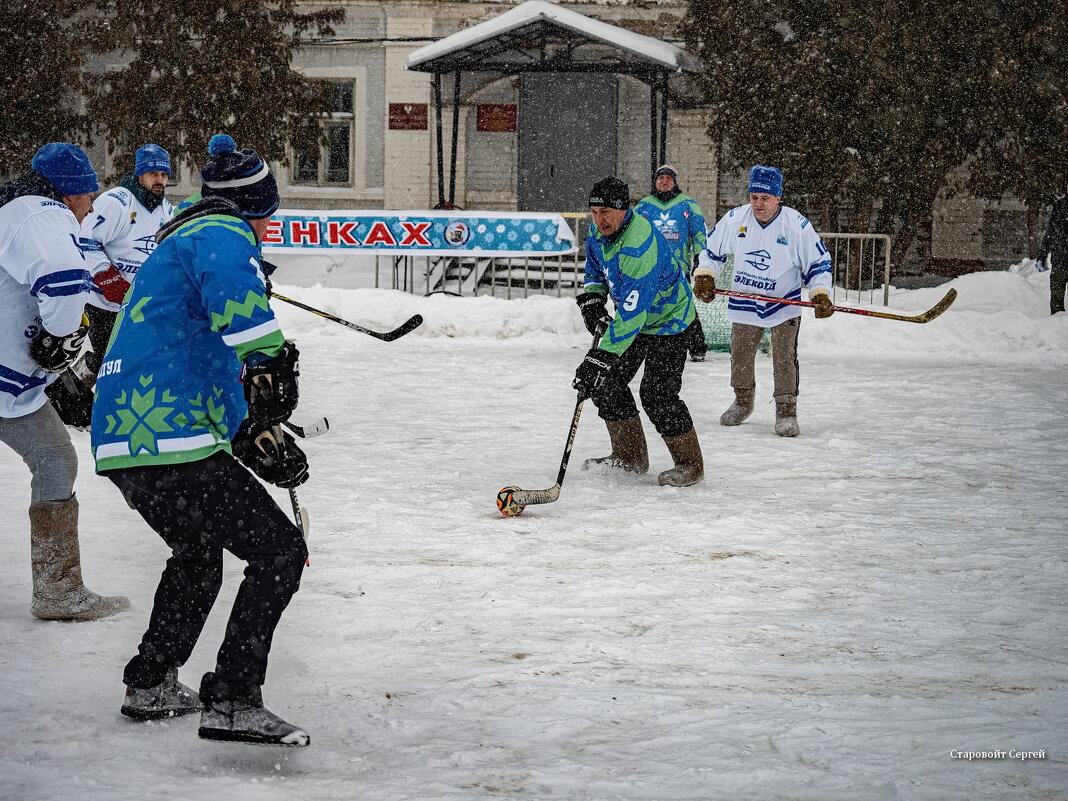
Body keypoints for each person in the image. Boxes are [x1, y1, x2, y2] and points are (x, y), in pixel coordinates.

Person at [90, 140, 312, 746]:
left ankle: (150, 681)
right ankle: (235, 699)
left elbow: (202, 365)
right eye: (267, 213)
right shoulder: (220, 229)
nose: (268, 227)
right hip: (168, 434)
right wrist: (271, 363)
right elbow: (242, 316)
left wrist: (250, 433)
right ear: (253, 206)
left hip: (129, 438)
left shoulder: (176, 241)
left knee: (197, 553)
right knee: (279, 552)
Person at [0, 142, 130, 621]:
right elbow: (62, 281)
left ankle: (58, 591)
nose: (93, 205)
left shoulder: (27, 212)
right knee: (55, 460)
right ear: (68, 193)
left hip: (13, 386)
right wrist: (60, 337)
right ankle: (57, 592)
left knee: (55, 458)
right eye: (87, 194)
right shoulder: (41, 214)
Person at [573, 176, 704, 487]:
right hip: (635, 319)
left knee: (658, 395)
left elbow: (632, 315)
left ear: (623, 209)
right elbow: (595, 266)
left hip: (669, 321)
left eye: (605, 212)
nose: (598, 219)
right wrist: (592, 299)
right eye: (594, 212)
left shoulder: (639, 243)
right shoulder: (598, 230)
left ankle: (690, 464)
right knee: (606, 383)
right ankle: (630, 455)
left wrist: (598, 357)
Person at [693, 165, 834, 437]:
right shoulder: (735, 220)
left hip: (784, 303)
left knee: (784, 357)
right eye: (754, 197)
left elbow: (818, 263)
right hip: (745, 300)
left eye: (765, 198)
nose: (758, 203)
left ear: (778, 198)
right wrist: (706, 275)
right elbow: (712, 251)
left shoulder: (796, 225)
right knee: (741, 355)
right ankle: (743, 401)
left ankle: (786, 410)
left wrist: (819, 293)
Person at [80, 144, 175, 369]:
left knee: (135, 364)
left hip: (138, 305)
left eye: (164, 174)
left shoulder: (167, 210)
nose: (159, 180)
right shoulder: (117, 201)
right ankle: (81, 389)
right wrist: (107, 277)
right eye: (153, 174)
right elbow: (85, 241)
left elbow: (166, 254)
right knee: (106, 365)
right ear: (140, 174)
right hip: (103, 304)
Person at [634, 165, 709, 361]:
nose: (664, 181)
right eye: (660, 178)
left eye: (668, 178)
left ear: (675, 182)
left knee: (684, 306)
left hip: (678, 267)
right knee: (645, 305)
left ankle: (696, 346)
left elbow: (699, 233)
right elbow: (631, 234)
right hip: (649, 267)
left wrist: (700, 257)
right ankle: (639, 343)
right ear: (655, 182)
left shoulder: (688, 205)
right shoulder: (643, 206)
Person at [1036, 184, 1068, 315]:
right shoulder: (1060, 205)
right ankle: (1056, 324)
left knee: (1056, 300)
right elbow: (1050, 232)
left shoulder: (1060, 205)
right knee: (1056, 298)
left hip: (1060, 257)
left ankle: (1057, 322)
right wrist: (1042, 255)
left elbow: (1050, 232)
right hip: (1060, 258)